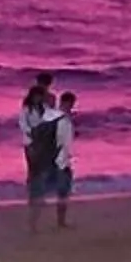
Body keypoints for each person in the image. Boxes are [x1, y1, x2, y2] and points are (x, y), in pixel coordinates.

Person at [21, 71, 58, 231]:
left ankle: (37, 193)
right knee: (34, 167)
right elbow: (25, 124)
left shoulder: (48, 100)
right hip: (33, 140)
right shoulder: (29, 105)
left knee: (43, 167)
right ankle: (33, 194)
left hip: (44, 138)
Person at [45, 88, 78, 230]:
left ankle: (61, 220)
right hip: (59, 160)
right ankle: (60, 221)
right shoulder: (60, 119)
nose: (71, 107)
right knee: (62, 190)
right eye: (70, 104)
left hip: (62, 158)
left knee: (63, 190)